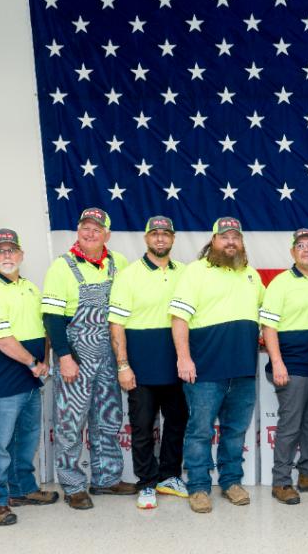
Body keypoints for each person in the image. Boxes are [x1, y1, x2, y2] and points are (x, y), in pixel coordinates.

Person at [169, 217, 265, 514]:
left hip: (243, 371)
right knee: (199, 431)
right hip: (205, 371)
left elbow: (263, 318)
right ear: (213, 241)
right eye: (224, 237)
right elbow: (179, 319)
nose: (230, 242)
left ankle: (231, 482)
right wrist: (183, 358)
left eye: (235, 237)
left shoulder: (251, 275)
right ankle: (198, 487)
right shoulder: (195, 272)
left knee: (235, 431)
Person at [41, 207, 133, 509]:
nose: (90, 233)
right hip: (76, 356)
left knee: (108, 417)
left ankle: (106, 479)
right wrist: (64, 357)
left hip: (109, 355)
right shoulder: (62, 267)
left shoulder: (118, 263)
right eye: (85, 228)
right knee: (70, 423)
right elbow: (52, 317)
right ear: (78, 230)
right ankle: (73, 485)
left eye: (97, 229)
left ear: (106, 234)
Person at [0, 229, 57, 525]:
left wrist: (43, 360)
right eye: (1, 251)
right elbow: (2, 340)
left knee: (26, 440)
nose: (7, 255)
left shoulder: (30, 287)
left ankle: (22, 489)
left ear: (21, 255)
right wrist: (34, 362)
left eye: (12, 250)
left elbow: (41, 328)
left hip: (31, 377)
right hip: (3, 379)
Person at [108, 216, 188, 509]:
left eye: (165, 234)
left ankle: (169, 476)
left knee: (177, 422)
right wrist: (123, 365)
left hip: (176, 363)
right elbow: (116, 325)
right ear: (146, 238)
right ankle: (146, 483)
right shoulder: (128, 275)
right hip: (140, 366)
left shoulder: (185, 273)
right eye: (154, 234)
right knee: (142, 427)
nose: (160, 238)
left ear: (173, 238)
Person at [261, 228, 308, 504]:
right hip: (291, 365)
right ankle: (281, 481)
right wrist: (277, 362)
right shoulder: (280, 283)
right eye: (301, 246)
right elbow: (268, 326)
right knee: (290, 426)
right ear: (293, 252)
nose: (306, 250)